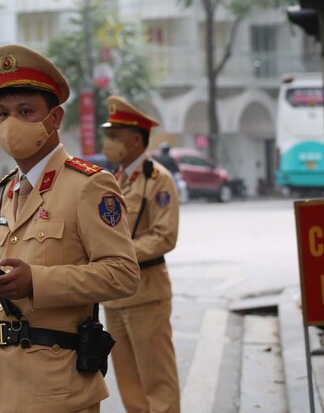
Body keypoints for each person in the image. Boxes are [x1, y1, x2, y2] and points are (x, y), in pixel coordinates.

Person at [0, 44, 140, 413]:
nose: (11, 123)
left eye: (25, 111)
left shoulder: (89, 185)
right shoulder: (3, 191)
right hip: (0, 387)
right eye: (2, 113)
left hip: (59, 390)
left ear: (55, 119)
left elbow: (123, 274)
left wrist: (37, 283)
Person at [100, 96, 181, 413]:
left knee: (157, 380)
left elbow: (165, 236)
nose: (110, 143)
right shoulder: (114, 180)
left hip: (146, 293)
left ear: (136, 139)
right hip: (115, 295)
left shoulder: (157, 180)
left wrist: (118, 255)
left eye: (115, 136)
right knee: (129, 381)